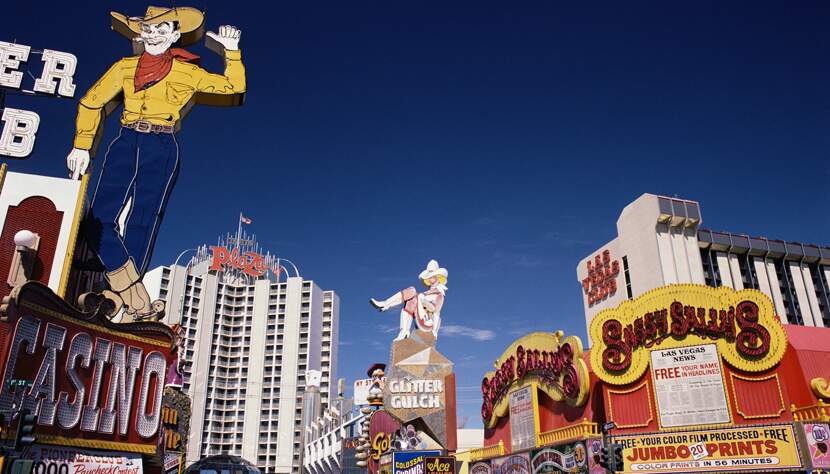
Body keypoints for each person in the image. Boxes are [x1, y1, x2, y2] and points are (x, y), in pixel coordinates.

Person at [65, 6, 246, 321]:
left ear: (175, 35)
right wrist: (82, 145)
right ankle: (135, 296)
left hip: (161, 144)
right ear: (140, 33)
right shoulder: (124, 67)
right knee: (98, 220)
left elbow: (234, 88)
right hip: (126, 139)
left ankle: (117, 299)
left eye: (162, 30)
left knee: (143, 220)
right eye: (148, 29)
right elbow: (92, 101)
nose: (153, 35)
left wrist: (231, 52)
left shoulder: (187, 72)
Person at [370, 259, 447, 341]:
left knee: (413, 291)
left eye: (432, 275)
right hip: (419, 319)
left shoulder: (439, 294)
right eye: (429, 276)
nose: (429, 278)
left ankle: (385, 304)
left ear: (438, 277)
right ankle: (404, 331)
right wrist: (421, 299)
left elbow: (436, 312)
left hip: (427, 323)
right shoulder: (426, 293)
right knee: (411, 299)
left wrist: (434, 332)